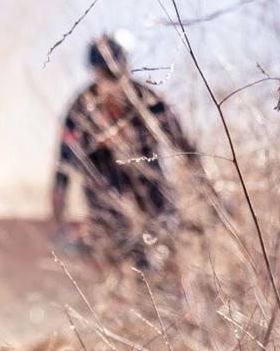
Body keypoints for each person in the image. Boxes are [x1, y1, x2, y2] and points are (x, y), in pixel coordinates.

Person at [51, 32, 201, 272]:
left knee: (166, 224)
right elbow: (63, 166)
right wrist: (59, 221)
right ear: (94, 73)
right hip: (103, 176)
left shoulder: (149, 100)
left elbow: (184, 144)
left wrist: (206, 189)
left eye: (116, 72)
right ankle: (118, 274)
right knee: (110, 231)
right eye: (104, 73)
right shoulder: (80, 108)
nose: (111, 81)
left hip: (147, 169)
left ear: (125, 68)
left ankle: (167, 276)